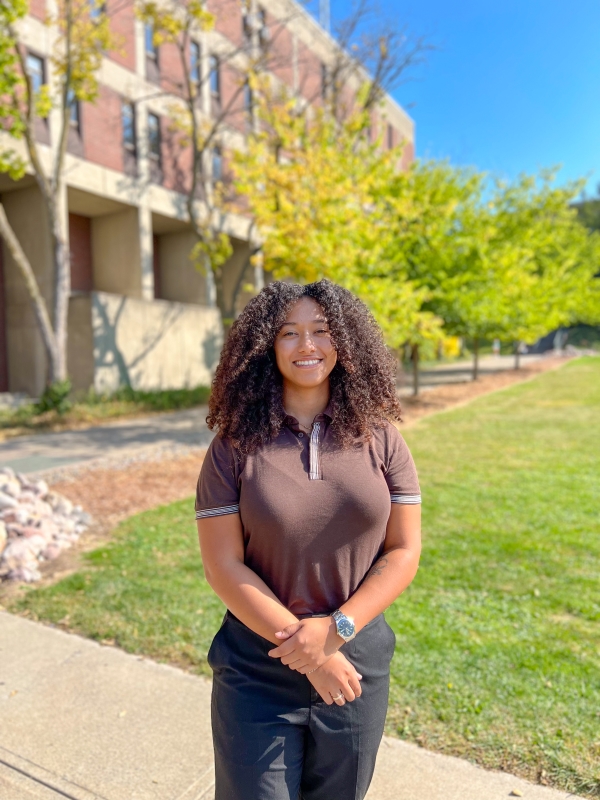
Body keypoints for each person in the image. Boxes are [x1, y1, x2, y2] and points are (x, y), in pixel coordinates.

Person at [195, 279, 422, 800]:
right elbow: (223, 567)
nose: (307, 346)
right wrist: (312, 652)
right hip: (258, 669)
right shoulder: (232, 446)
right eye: (288, 334)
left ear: (344, 342)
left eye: (321, 331)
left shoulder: (382, 437)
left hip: (355, 666)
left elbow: (403, 551)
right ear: (264, 348)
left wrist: (336, 633)